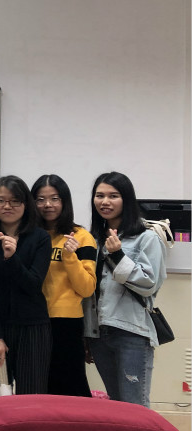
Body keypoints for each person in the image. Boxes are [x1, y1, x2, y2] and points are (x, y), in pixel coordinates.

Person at [84, 172, 166, 407]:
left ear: (126, 200)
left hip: (131, 332)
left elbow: (149, 284)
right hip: (99, 334)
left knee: (135, 405)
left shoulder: (146, 238)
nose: (105, 202)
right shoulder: (93, 239)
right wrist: (87, 334)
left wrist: (118, 255)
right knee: (117, 406)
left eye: (113, 196)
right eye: (99, 195)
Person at [0, 175, 52, 399]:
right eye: (0, 200)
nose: (7, 206)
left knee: (30, 398)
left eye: (15, 201)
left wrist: (12, 259)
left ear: (26, 203)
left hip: (32, 327)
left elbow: (33, 284)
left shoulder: (40, 238)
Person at [32, 174, 96, 397]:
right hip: (33, 320)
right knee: (39, 387)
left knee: (71, 388)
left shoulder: (81, 237)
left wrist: (70, 257)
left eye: (54, 198)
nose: (47, 205)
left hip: (66, 321)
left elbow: (87, 288)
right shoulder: (29, 235)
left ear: (65, 201)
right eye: (40, 199)